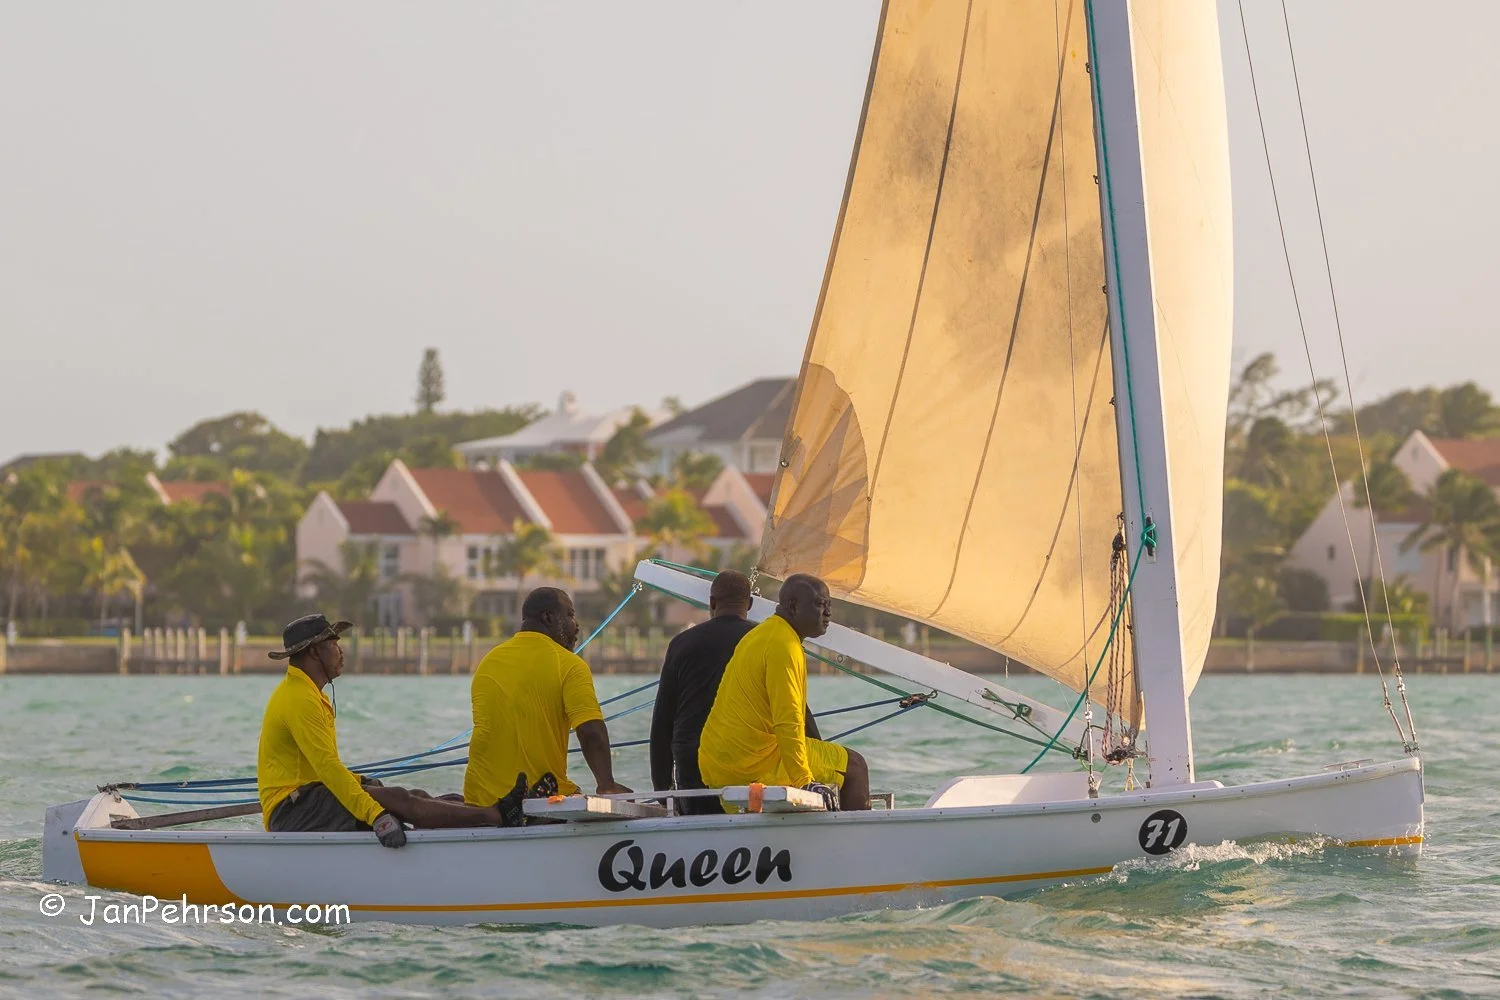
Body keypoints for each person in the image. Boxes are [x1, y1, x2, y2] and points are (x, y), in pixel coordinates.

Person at [258, 613, 507, 848]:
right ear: (315, 652)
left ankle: (487, 810)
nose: (341, 652)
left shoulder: (306, 693)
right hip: (292, 811)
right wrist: (376, 815)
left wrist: (363, 785)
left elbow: (323, 771)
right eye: (334, 644)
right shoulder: (300, 699)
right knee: (398, 800)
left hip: (310, 796)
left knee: (411, 795)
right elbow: (329, 768)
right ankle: (496, 816)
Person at [649, 570, 822, 815]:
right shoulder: (761, 639)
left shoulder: (682, 643)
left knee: (700, 829)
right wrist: (814, 765)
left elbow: (662, 720)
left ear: (711, 602)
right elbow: (796, 711)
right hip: (751, 765)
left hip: (693, 764)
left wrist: (661, 788)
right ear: (750, 604)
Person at [698, 574, 871, 810]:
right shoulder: (784, 645)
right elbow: (787, 722)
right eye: (821, 604)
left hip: (718, 765)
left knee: (820, 759)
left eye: (830, 605)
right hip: (753, 766)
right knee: (855, 767)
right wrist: (804, 781)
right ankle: (857, 844)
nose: (828, 613)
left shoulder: (762, 634)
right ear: (793, 606)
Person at [463, 587, 631, 813]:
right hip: (536, 799)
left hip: (479, 800)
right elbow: (590, 731)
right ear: (548, 618)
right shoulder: (570, 665)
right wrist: (607, 785)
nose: (576, 625)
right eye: (570, 616)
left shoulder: (489, 661)